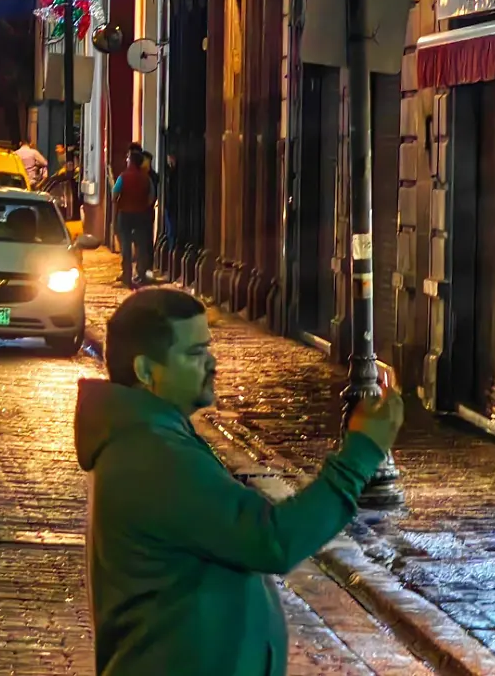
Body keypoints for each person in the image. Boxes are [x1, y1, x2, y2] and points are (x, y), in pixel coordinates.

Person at [75, 289, 402, 676]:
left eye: (208, 348)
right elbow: (271, 540)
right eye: (195, 353)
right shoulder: (154, 455)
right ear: (147, 371)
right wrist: (361, 452)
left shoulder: (156, 439)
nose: (212, 363)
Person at [112, 150, 157, 288]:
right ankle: (141, 274)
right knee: (141, 245)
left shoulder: (123, 177)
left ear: (130, 161)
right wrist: (142, 205)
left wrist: (120, 204)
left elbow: (114, 193)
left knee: (125, 246)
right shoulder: (146, 178)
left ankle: (127, 275)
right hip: (141, 215)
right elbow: (151, 197)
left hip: (125, 214)